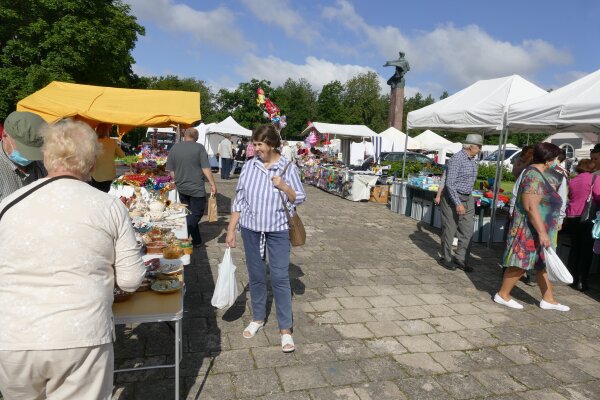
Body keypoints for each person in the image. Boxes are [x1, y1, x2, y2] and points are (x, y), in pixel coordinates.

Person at [0, 119, 145, 399]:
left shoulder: (8, 205)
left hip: (12, 338)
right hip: (81, 336)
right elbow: (131, 280)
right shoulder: (108, 206)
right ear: (91, 164)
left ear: (46, 157)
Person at [225, 125, 306, 353]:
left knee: (280, 278)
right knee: (256, 276)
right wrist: (231, 230)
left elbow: (299, 197)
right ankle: (258, 318)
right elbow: (239, 200)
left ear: (271, 144)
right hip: (251, 230)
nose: (255, 148)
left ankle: (285, 329)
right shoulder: (250, 166)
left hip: (278, 230)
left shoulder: (287, 167)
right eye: (254, 144)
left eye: (259, 144)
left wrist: (284, 186)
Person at [495, 143, 569, 311]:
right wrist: (542, 233)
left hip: (539, 227)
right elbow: (530, 207)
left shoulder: (539, 173)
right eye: (556, 158)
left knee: (542, 263)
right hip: (530, 228)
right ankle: (503, 294)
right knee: (521, 262)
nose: (557, 161)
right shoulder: (533, 175)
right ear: (548, 159)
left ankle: (548, 298)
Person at [439, 134, 482, 272]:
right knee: (450, 230)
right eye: (479, 146)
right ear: (471, 146)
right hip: (452, 197)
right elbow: (450, 184)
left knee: (467, 230)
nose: (480, 149)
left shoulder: (473, 160)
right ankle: (446, 258)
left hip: (468, 197)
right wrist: (458, 203)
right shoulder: (457, 159)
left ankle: (461, 259)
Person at [166, 128, 217, 247]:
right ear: (196, 137)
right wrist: (212, 184)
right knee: (196, 214)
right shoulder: (199, 148)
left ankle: (197, 240)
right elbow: (205, 168)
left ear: (184, 135)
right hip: (196, 188)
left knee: (189, 214)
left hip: (181, 187)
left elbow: (171, 170)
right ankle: (181, 237)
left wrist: (176, 181)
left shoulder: (175, 148)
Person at [564, 159, 600, 291]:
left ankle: (571, 278)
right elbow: (598, 195)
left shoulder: (573, 180)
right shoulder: (595, 179)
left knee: (575, 248)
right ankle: (581, 281)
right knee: (586, 250)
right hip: (587, 217)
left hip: (572, 216)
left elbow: (570, 196)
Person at [0, 111, 48, 202]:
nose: (30, 157)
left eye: (34, 151)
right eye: (23, 149)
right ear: (4, 136)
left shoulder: (42, 163)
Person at [90, 123, 125, 192]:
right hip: (109, 174)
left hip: (95, 175)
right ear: (108, 131)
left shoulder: (93, 142)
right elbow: (122, 155)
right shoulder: (112, 142)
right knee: (106, 194)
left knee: (96, 195)